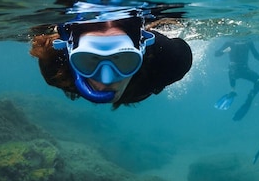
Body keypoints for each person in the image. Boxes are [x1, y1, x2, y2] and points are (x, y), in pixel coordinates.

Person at [30, 9, 192, 108]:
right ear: (69, 52)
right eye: (89, 59)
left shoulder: (168, 59)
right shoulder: (54, 63)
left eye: (123, 59)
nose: (106, 80)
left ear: (141, 51)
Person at [214, 39, 259, 121]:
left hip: (238, 71)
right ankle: (242, 94)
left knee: (258, 81)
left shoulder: (246, 41)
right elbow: (216, 54)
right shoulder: (232, 42)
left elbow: (255, 55)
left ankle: (235, 92)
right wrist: (224, 51)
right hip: (237, 71)